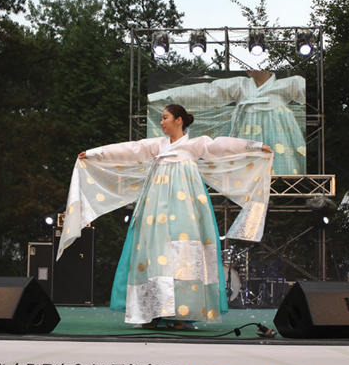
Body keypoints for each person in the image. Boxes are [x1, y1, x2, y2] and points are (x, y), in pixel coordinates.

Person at [59, 104, 274, 328]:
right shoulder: (157, 146)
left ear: (179, 120)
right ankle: (152, 313)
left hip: (187, 206)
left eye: (165, 118)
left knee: (185, 254)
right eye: (161, 118)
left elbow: (224, 146)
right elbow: (128, 149)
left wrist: (256, 147)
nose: (161, 122)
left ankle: (182, 314)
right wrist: (95, 154)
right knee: (154, 251)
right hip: (156, 206)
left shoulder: (195, 144)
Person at [147, 70, 306, 175]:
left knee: (278, 174)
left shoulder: (289, 84)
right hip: (244, 140)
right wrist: (164, 95)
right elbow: (207, 91)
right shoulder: (240, 85)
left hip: (279, 139)